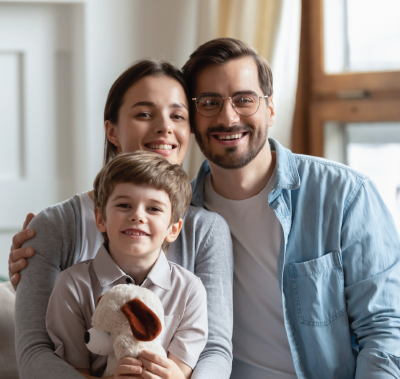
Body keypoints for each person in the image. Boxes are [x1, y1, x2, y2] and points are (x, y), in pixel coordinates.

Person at [180, 38, 400, 379]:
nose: (227, 116)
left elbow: (385, 332)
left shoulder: (345, 196)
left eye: (244, 100)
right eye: (209, 102)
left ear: (269, 108)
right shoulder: (177, 220)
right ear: (193, 117)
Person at [10, 60, 233, 379]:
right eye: (144, 114)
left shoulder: (207, 230)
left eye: (178, 115)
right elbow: (34, 352)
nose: (164, 127)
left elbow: (214, 349)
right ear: (112, 130)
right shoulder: (55, 226)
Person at [46, 151, 208, 379]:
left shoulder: (190, 291)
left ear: (173, 229)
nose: (137, 216)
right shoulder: (72, 285)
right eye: (124, 205)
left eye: (154, 209)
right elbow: (73, 372)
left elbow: (181, 371)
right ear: (101, 219)